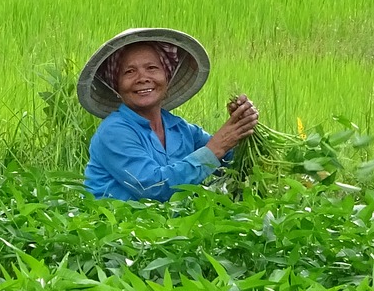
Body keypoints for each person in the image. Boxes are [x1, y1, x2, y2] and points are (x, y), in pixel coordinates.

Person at [77, 28, 259, 201]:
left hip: (170, 229)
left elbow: (231, 165)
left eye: (152, 68)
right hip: (117, 228)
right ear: (116, 86)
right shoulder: (114, 132)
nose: (142, 78)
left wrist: (241, 126)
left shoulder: (179, 128)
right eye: (129, 72)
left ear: (167, 77)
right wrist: (215, 148)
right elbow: (152, 187)